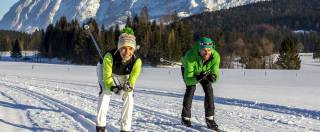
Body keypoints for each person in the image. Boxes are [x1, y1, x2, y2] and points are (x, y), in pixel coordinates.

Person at [96, 27, 142, 132]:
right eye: (124, 48)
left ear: (134, 49)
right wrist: (112, 87)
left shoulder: (137, 61)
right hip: (105, 69)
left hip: (123, 73)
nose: (127, 52)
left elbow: (133, 78)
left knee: (129, 95)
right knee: (106, 92)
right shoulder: (109, 57)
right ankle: (100, 127)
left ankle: (125, 129)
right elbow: (107, 77)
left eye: (130, 49)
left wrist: (128, 85)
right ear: (119, 48)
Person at [180, 37, 220, 130]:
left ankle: (210, 119)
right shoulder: (190, 57)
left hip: (204, 71)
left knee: (209, 88)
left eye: (209, 50)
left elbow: (215, 74)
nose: (207, 53)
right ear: (199, 49)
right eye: (204, 50)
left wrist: (213, 77)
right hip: (190, 71)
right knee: (191, 88)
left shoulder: (216, 57)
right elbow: (188, 80)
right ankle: (185, 118)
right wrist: (198, 77)